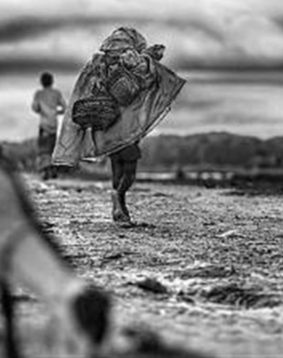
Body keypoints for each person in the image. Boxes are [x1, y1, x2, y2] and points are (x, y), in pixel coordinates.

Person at [52, 27, 185, 225]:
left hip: (107, 125)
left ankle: (118, 206)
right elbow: (149, 76)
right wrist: (149, 57)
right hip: (124, 127)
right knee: (129, 170)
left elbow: (87, 90)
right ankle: (118, 197)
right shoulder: (129, 62)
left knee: (117, 166)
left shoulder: (100, 65)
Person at [31, 72, 67, 180]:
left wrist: (41, 111)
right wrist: (56, 112)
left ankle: (46, 171)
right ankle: (53, 170)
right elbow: (65, 107)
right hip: (53, 124)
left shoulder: (39, 94)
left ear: (42, 82)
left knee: (43, 149)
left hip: (44, 124)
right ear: (52, 82)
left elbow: (35, 108)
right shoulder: (56, 93)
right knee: (52, 147)